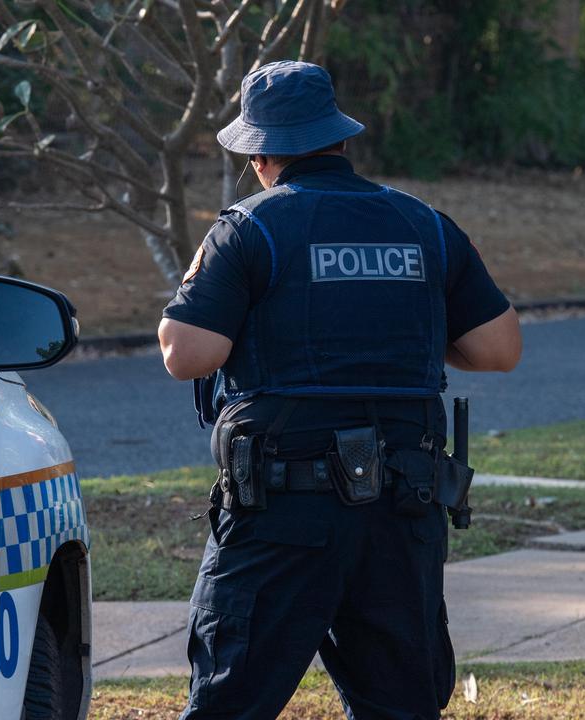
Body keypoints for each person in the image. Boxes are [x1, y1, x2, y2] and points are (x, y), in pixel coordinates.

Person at [157, 60, 522, 719]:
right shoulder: (424, 225)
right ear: (340, 141)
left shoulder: (249, 228)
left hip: (283, 514)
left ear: (261, 153)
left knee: (228, 703)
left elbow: (187, 354)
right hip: (402, 512)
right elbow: (498, 349)